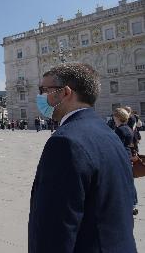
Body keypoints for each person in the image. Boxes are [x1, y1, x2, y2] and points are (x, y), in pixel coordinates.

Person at [29, 63, 136, 252]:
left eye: (44, 90)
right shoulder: (108, 132)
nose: (41, 96)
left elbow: (54, 230)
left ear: (65, 93)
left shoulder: (65, 142)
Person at [113, 107, 139, 215]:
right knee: (129, 180)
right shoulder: (128, 128)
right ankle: (133, 203)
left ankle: (123, 203)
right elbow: (134, 143)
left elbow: (116, 145)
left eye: (114, 116)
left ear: (118, 117)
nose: (113, 118)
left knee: (121, 180)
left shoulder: (119, 130)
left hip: (121, 156)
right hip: (128, 156)